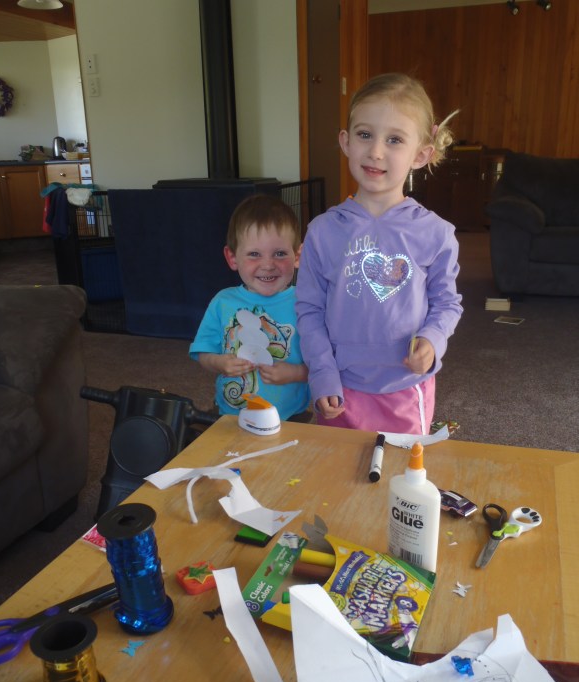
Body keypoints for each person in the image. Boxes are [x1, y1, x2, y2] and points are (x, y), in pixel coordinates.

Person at [295, 73, 463, 433]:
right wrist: (322, 374)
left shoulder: (436, 233)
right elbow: (309, 311)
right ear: (345, 141)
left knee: (399, 480)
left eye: (394, 140)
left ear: (421, 154)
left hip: (404, 390)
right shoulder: (322, 232)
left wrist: (433, 341)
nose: (375, 151)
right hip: (339, 389)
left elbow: (447, 304)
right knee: (335, 478)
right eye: (365, 134)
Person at [190, 194, 311, 420]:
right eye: (254, 254)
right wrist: (220, 363)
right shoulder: (222, 302)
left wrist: (295, 373)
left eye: (280, 253)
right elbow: (203, 352)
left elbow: (326, 366)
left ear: (297, 256)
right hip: (229, 415)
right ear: (233, 258)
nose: (267, 265)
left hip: (290, 418)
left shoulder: (306, 304)